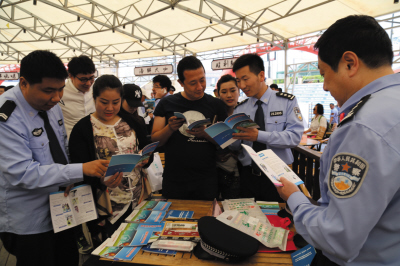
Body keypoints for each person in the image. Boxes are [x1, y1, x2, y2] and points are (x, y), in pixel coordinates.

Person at [277, 15, 400, 266]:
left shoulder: (364, 126)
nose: (324, 86)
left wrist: (295, 198)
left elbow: (338, 236)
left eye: (324, 74)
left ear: (349, 63)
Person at [0, 50, 109, 266]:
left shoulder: (51, 106)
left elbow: (61, 147)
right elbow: (23, 174)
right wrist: (79, 170)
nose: (57, 97)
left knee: (68, 259)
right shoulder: (7, 117)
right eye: (49, 91)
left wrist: (73, 176)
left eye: (60, 89)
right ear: (23, 83)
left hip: (62, 210)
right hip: (29, 220)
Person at [69, 75, 152, 246]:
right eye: (104, 102)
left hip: (137, 199)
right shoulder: (83, 129)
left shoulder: (134, 122)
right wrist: (100, 179)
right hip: (104, 207)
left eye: (115, 102)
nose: (110, 108)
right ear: (94, 98)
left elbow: (145, 149)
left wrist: (145, 159)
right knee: (107, 251)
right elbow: (79, 170)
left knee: (138, 247)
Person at [151, 56, 227, 200]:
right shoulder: (166, 103)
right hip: (175, 180)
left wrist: (206, 134)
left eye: (202, 80)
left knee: (206, 220)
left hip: (206, 180)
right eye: (193, 83)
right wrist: (169, 128)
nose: (199, 87)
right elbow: (155, 140)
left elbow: (225, 142)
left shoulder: (216, 105)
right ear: (180, 82)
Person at [230, 53, 304, 201]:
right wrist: (230, 137)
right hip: (248, 176)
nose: (241, 86)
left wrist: (258, 136)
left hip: (280, 177)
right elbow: (236, 147)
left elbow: (294, 137)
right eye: (238, 81)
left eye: (245, 79)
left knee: (281, 219)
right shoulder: (240, 109)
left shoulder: (287, 102)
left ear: (261, 75)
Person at [216, 74, 241, 199]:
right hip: (220, 172)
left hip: (245, 171)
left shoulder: (246, 112)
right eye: (224, 92)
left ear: (239, 91)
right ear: (218, 94)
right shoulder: (215, 116)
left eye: (233, 90)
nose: (229, 95)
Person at [59, 55, 96, 138]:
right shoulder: (61, 91)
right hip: (70, 140)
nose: (88, 83)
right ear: (71, 76)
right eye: (83, 79)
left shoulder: (96, 89)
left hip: (93, 139)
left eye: (91, 78)